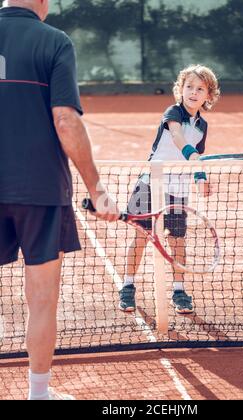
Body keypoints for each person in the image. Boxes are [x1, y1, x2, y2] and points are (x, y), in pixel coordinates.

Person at [0, 0, 119, 400]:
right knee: (42, 299)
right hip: (41, 192)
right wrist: (97, 188)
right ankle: (38, 395)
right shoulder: (54, 41)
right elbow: (65, 119)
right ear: (42, 1)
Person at [119, 64, 220, 314]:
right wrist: (192, 155)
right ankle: (128, 286)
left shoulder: (202, 126)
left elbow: (196, 160)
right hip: (150, 182)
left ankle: (179, 290)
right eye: (189, 87)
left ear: (208, 95)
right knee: (141, 237)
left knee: (177, 241)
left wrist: (200, 179)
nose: (193, 92)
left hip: (178, 187)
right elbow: (177, 137)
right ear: (180, 89)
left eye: (200, 89)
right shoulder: (173, 112)